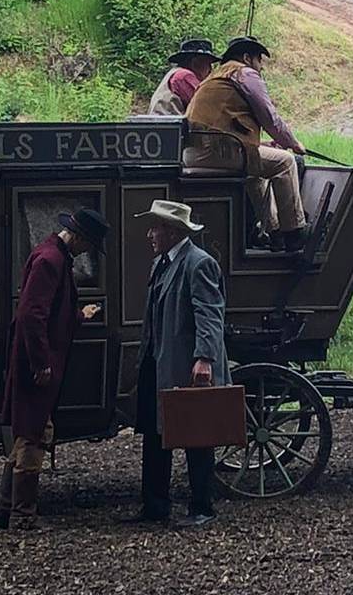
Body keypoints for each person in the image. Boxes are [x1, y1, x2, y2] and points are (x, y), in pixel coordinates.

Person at [0, 208, 110, 528]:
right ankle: (22, 516)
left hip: (31, 358)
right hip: (35, 362)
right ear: (79, 238)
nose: (86, 251)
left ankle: (6, 509)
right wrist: (41, 362)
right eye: (89, 245)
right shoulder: (51, 261)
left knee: (26, 433)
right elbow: (32, 315)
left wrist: (78, 315)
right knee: (35, 433)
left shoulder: (50, 254)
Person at [121, 200, 230, 529]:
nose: (150, 235)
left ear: (171, 231)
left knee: (197, 435)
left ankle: (202, 506)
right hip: (158, 363)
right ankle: (155, 505)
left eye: (154, 228)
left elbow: (209, 314)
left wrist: (204, 358)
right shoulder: (161, 264)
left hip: (185, 364)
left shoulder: (199, 264)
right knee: (154, 435)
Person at [184, 36, 309, 251]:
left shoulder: (216, 77)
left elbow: (226, 123)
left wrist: (263, 144)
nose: (261, 67)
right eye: (259, 60)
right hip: (219, 151)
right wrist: (293, 143)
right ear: (247, 58)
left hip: (195, 152)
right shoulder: (244, 73)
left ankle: (274, 231)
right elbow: (270, 118)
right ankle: (294, 233)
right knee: (286, 162)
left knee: (255, 174)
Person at [148, 39, 219, 117]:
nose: (210, 69)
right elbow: (205, 106)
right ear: (195, 63)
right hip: (169, 123)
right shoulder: (184, 76)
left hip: (161, 122)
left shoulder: (175, 73)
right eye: (207, 63)